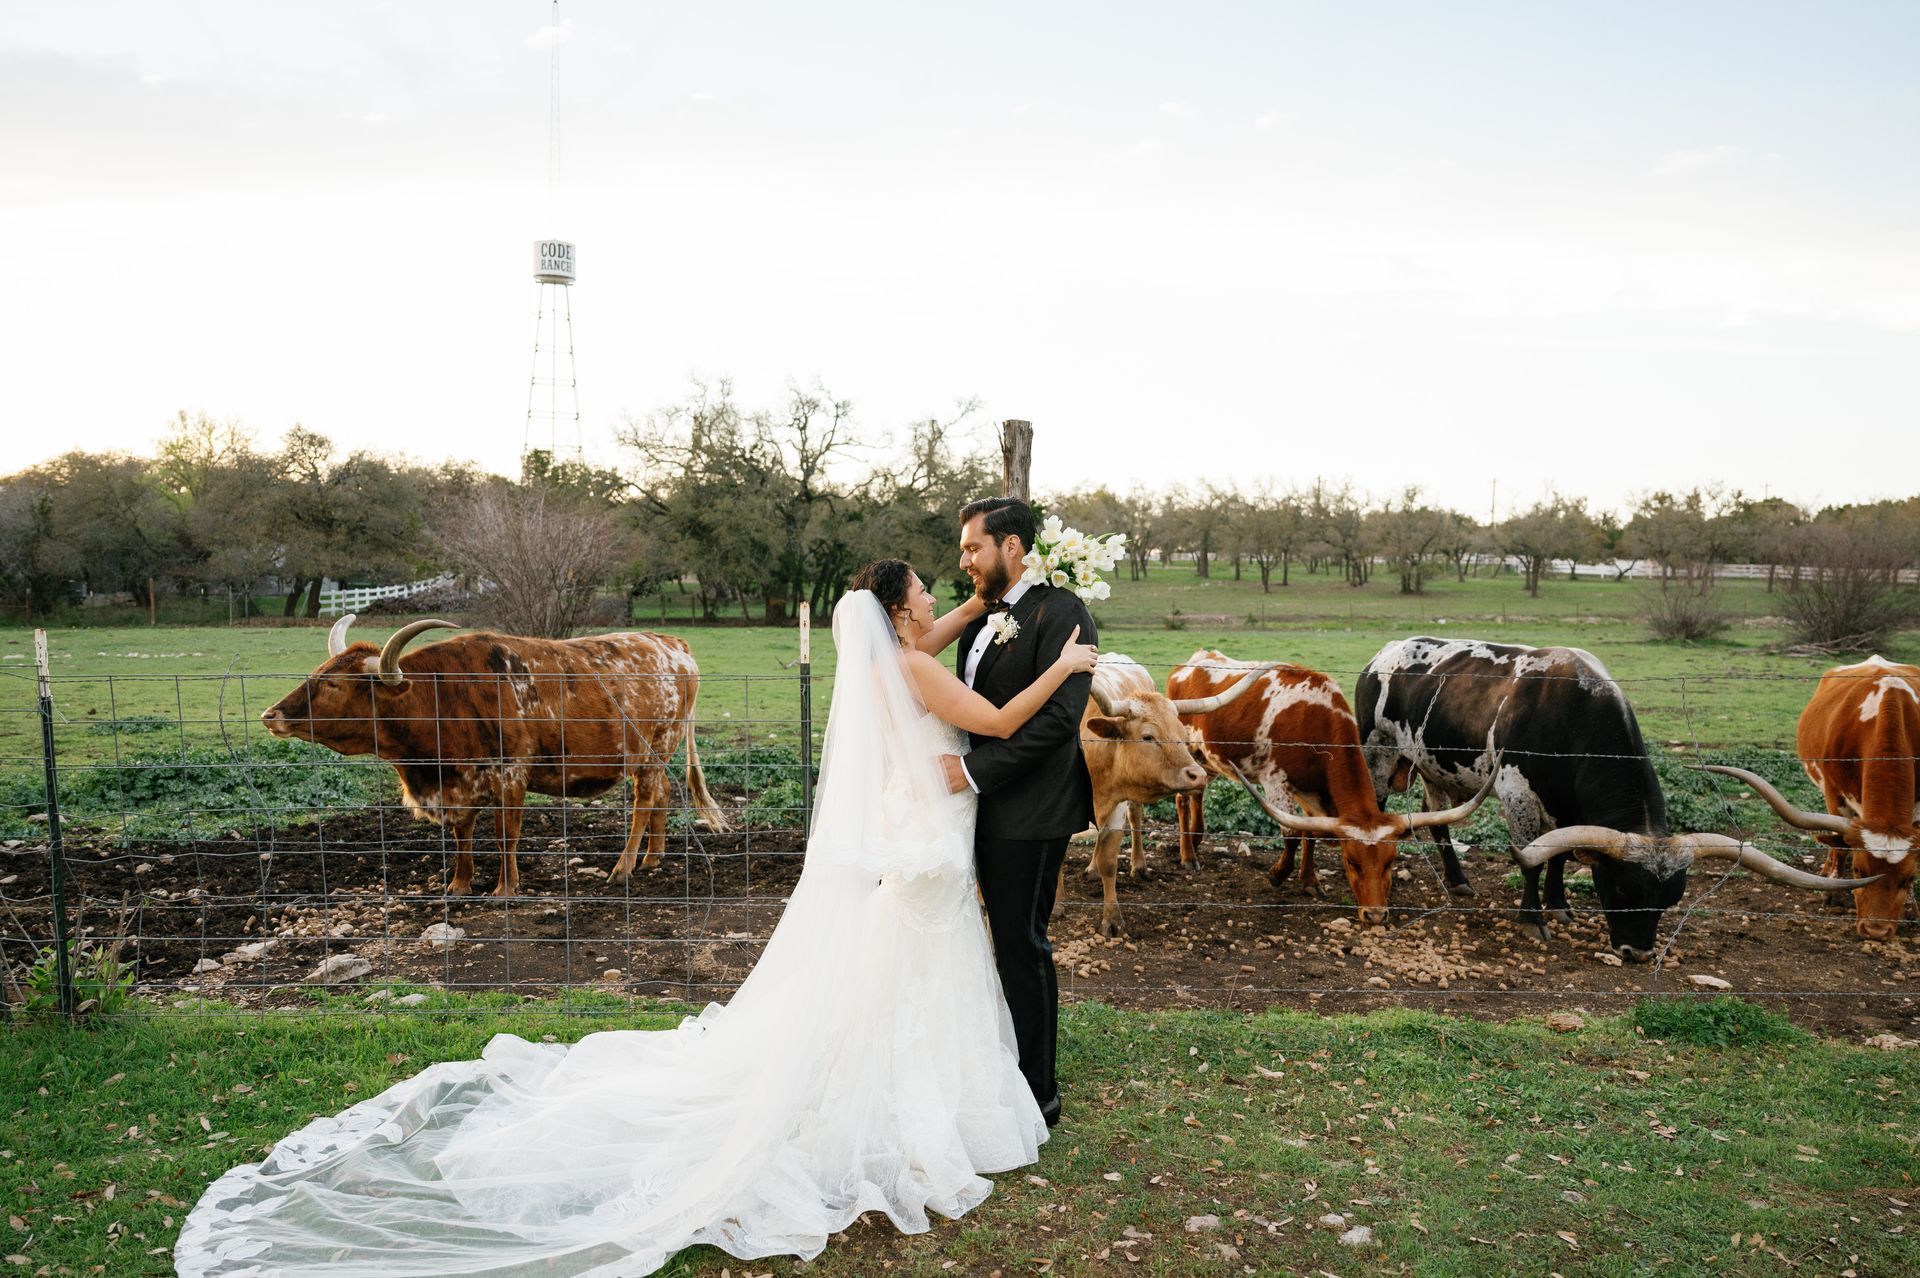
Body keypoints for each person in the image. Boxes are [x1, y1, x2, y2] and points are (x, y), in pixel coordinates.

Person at [173, 558, 1098, 1278]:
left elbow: (932, 644)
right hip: (930, 835)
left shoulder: (896, 662)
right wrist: (1064, 663)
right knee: (916, 963)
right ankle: (916, 1095)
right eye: (927, 593)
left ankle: (901, 1079)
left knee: (897, 969)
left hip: (917, 830)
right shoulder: (913, 667)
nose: (939, 596)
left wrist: (986, 603)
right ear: (901, 613)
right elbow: (1003, 718)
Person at [938, 497, 1098, 1130]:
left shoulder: (1063, 613)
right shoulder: (983, 619)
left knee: (1022, 944)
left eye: (973, 548)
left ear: (1010, 546)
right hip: (980, 810)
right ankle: (1001, 1069)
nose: (964, 560)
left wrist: (976, 772)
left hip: (1031, 811)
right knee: (996, 942)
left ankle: (1039, 1094)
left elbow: (1059, 724)